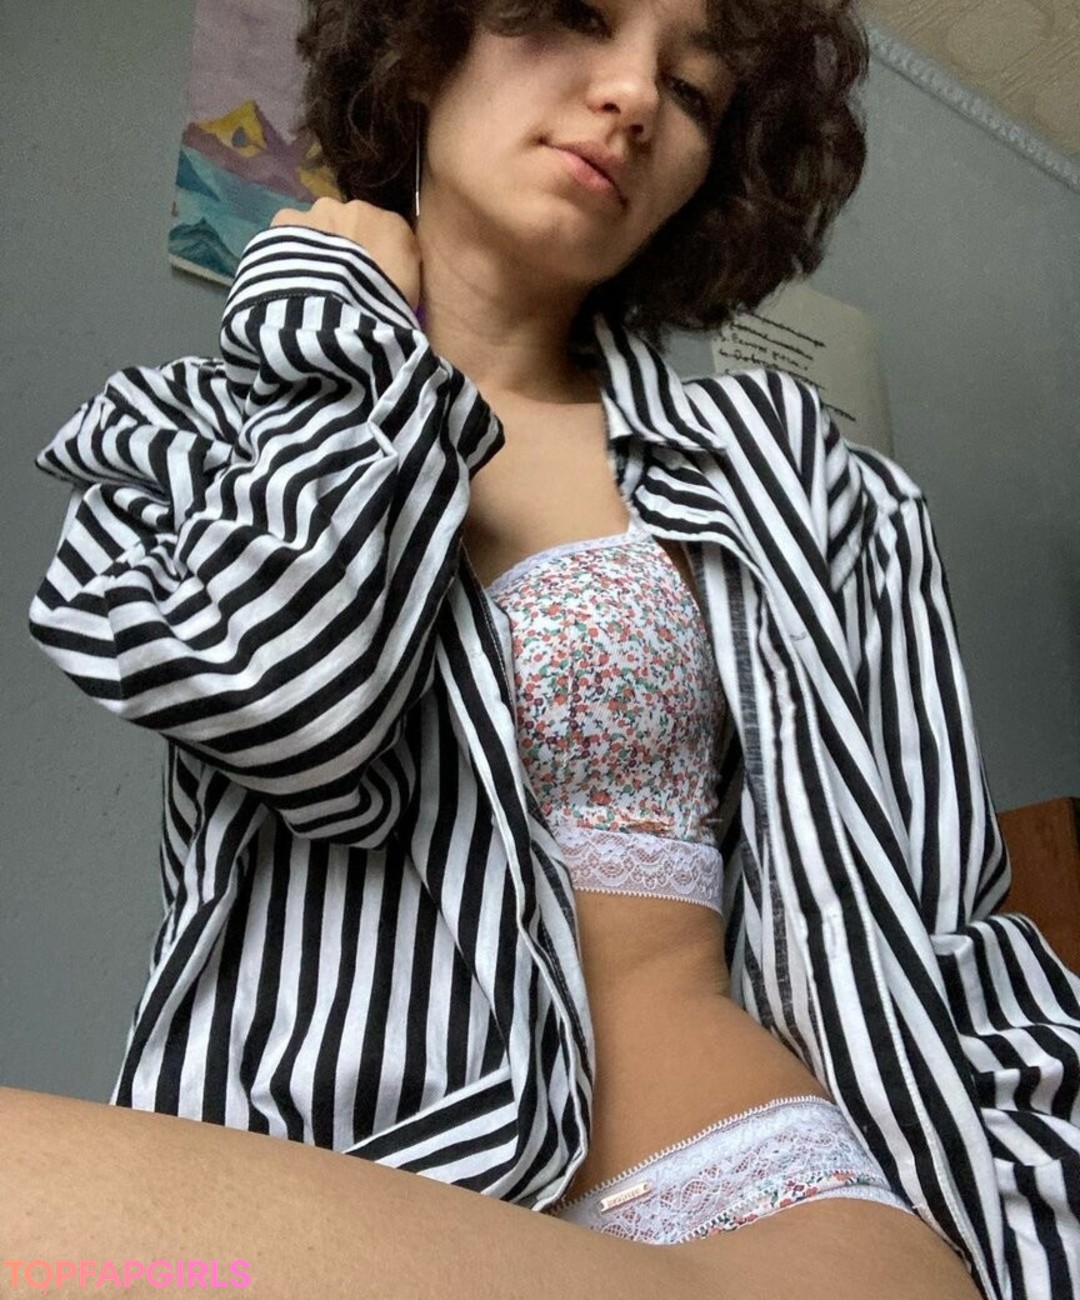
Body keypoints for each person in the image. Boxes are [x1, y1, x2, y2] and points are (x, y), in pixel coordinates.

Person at [6, 0, 1078, 1296]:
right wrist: (341, 332)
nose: (632, 96)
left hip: (764, 1206)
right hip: (364, 1195)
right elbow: (286, 703)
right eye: (573, 16)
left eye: (694, 91)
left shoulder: (797, 479)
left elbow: (944, 927)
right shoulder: (189, 440)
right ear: (424, 44)